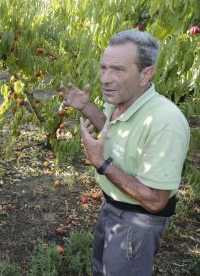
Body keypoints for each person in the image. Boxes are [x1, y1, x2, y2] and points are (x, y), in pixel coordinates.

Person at [60, 29, 190, 275]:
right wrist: (86, 107)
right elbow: (112, 130)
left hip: (137, 220)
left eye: (118, 70)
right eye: (103, 67)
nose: (105, 79)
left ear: (145, 74)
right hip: (112, 205)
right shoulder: (118, 101)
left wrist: (101, 163)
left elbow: (155, 201)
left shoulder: (165, 122)